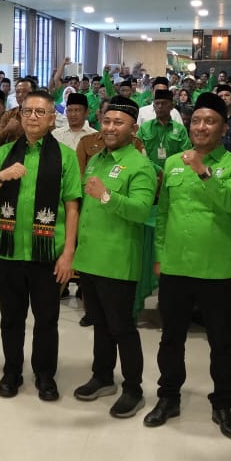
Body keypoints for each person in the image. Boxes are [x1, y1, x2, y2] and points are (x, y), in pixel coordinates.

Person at [144, 92, 231, 438]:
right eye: (196, 121)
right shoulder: (174, 163)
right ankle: (168, 397)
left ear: (224, 128)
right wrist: (160, 255)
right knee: (171, 338)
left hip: (216, 270)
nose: (201, 127)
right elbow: (163, 214)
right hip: (176, 267)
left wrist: (204, 172)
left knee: (221, 342)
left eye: (210, 121)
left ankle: (222, 404)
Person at [0, 90, 82, 402]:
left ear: (51, 120)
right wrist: (1, 177)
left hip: (47, 254)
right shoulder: (4, 153)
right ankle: (12, 371)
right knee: (11, 319)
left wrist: (68, 253)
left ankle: (45, 374)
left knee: (46, 320)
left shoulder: (65, 156)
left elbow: (72, 207)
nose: (32, 117)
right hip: (8, 253)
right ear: (20, 116)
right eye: (27, 111)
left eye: (40, 112)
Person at [70, 97, 157, 418]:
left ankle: (133, 389)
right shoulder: (96, 160)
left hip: (118, 260)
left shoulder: (140, 165)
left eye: (118, 123)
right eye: (106, 121)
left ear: (133, 128)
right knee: (100, 324)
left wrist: (107, 195)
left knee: (122, 328)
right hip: (90, 258)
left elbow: (142, 211)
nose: (110, 127)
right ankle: (103, 376)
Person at [136, 90, 191, 178]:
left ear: (172, 106)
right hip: (149, 174)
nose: (160, 106)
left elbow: (185, 154)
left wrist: (171, 171)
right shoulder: (144, 128)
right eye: (157, 103)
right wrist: (156, 170)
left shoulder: (180, 129)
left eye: (164, 103)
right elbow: (138, 152)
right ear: (153, 106)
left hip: (174, 175)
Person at [0, 78, 33, 148]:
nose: (20, 95)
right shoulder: (8, 115)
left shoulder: (41, 115)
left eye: (25, 92)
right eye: (17, 92)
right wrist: (7, 129)